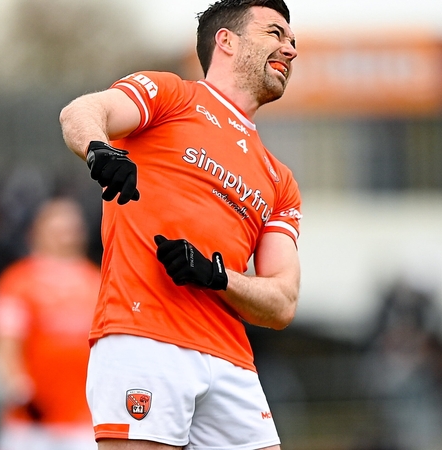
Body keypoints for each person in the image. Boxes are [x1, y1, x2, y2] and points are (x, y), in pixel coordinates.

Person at [58, 0, 301, 448]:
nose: (290, 49)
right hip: (144, 336)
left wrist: (219, 277)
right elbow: (82, 111)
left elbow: (282, 302)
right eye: (275, 33)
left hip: (231, 358)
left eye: (292, 40)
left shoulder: (278, 178)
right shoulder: (173, 95)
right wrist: (100, 150)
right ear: (226, 41)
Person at [0, 197, 101, 450]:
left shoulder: (98, 282)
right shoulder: (17, 282)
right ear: (37, 231)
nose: (66, 236)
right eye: (58, 229)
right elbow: (5, 340)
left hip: (84, 421)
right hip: (31, 423)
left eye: (72, 228)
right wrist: (18, 389)